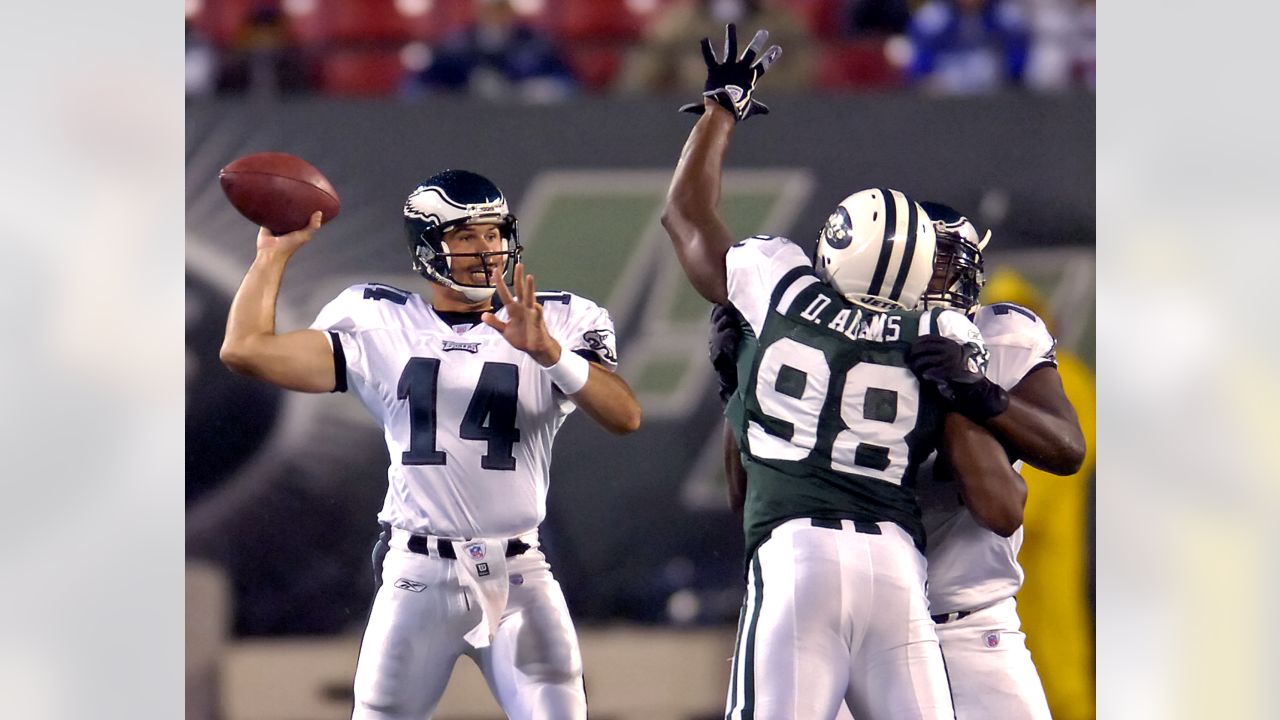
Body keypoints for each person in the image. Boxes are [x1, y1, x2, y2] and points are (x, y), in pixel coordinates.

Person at [661, 24, 1026, 719]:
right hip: (895, 568)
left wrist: (720, 111)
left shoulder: (778, 285)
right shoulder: (939, 330)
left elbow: (685, 215)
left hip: (797, 555)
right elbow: (1001, 501)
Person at [219, 169, 642, 719]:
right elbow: (245, 350)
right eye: (464, 236)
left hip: (521, 573)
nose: (485, 250)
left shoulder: (558, 319)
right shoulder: (379, 320)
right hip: (418, 572)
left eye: (493, 233)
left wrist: (551, 354)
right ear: (427, 248)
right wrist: (272, 255)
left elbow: (625, 416)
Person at [911, 202, 1086, 719]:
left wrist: (980, 393)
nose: (944, 285)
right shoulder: (830, 350)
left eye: (951, 267)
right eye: (930, 266)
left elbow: (1064, 452)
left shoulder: (1005, 336)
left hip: (977, 613)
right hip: (872, 611)